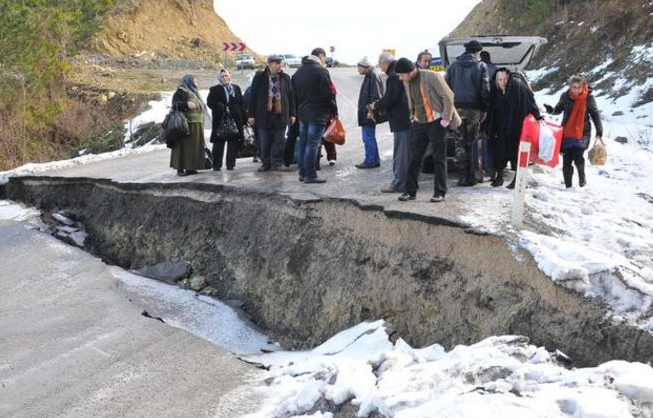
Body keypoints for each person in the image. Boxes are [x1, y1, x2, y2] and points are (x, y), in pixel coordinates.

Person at [394, 58, 461, 202]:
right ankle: (410, 192)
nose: (400, 78)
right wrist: (413, 116)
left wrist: (446, 119)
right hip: (419, 123)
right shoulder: (407, 81)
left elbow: (448, 96)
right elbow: (413, 100)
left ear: (410, 72)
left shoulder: (431, 76)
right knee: (414, 158)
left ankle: (440, 193)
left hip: (437, 123)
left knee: (439, 159)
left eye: (401, 75)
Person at [544, 73, 603, 188]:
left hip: (582, 133)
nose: (576, 90)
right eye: (574, 87)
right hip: (566, 133)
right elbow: (558, 110)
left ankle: (582, 176)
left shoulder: (588, 98)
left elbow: (595, 114)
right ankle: (568, 187)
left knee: (578, 157)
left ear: (583, 86)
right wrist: (551, 110)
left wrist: (599, 131)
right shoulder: (565, 97)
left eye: (579, 87)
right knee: (566, 160)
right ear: (570, 86)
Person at [445, 39, 490, 186]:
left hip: (456, 109)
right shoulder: (481, 66)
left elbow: (446, 90)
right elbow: (485, 90)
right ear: (477, 51)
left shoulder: (452, 67)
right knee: (474, 142)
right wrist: (484, 109)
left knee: (459, 142)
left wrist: (450, 108)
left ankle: (463, 176)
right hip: (474, 110)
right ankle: (475, 176)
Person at [486, 68, 542, 187]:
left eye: (505, 79)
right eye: (500, 79)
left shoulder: (519, 89)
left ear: (509, 78)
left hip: (516, 127)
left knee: (516, 154)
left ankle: (517, 180)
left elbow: (530, 102)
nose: (502, 82)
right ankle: (499, 177)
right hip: (500, 128)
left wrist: (537, 116)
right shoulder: (495, 91)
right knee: (499, 153)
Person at [292, 47, 337, 184]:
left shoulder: (299, 71)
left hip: (303, 113)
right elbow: (328, 93)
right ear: (321, 56)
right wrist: (332, 109)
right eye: (324, 58)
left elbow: (293, 93)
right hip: (317, 113)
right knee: (312, 144)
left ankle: (302, 173)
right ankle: (310, 175)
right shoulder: (321, 71)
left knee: (304, 143)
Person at [370, 52, 411, 193]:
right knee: (406, 152)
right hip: (407, 118)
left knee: (401, 153)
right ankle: (406, 182)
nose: (380, 68)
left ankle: (399, 184)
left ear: (385, 63)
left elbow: (390, 98)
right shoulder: (399, 72)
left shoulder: (394, 76)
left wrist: (376, 105)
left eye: (380, 65)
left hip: (401, 119)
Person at [248, 55, 295, 172]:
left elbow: (290, 97)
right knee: (264, 141)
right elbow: (252, 97)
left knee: (279, 141)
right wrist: (251, 115)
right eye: (276, 63)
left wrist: (292, 113)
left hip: (280, 114)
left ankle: (277, 163)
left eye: (280, 63)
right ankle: (266, 163)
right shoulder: (259, 78)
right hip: (264, 115)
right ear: (269, 64)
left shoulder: (285, 78)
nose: (279, 65)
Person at [207, 69, 246, 171]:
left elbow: (241, 103)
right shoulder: (215, 89)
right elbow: (210, 102)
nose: (224, 78)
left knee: (233, 141)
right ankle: (216, 165)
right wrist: (220, 106)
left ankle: (230, 164)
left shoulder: (236, 88)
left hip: (235, 118)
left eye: (226, 76)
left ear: (229, 77)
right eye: (222, 76)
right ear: (220, 78)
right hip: (221, 119)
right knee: (219, 142)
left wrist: (244, 118)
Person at [170, 74, 207, 176]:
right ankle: (180, 168)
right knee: (183, 147)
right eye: (195, 80)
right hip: (186, 124)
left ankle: (191, 167)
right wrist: (187, 105)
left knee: (193, 147)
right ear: (188, 81)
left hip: (196, 124)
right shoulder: (181, 91)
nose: (197, 82)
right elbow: (175, 104)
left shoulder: (194, 92)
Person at [355, 56, 383, 169]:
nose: (358, 69)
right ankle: (374, 160)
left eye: (359, 67)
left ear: (365, 67)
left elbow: (375, 96)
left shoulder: (372, 76)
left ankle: (370, 161)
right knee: (370, 137)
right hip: (367, 111)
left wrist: (370, 111)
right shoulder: (369, 76)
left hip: (369, 113)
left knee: (368, 138)